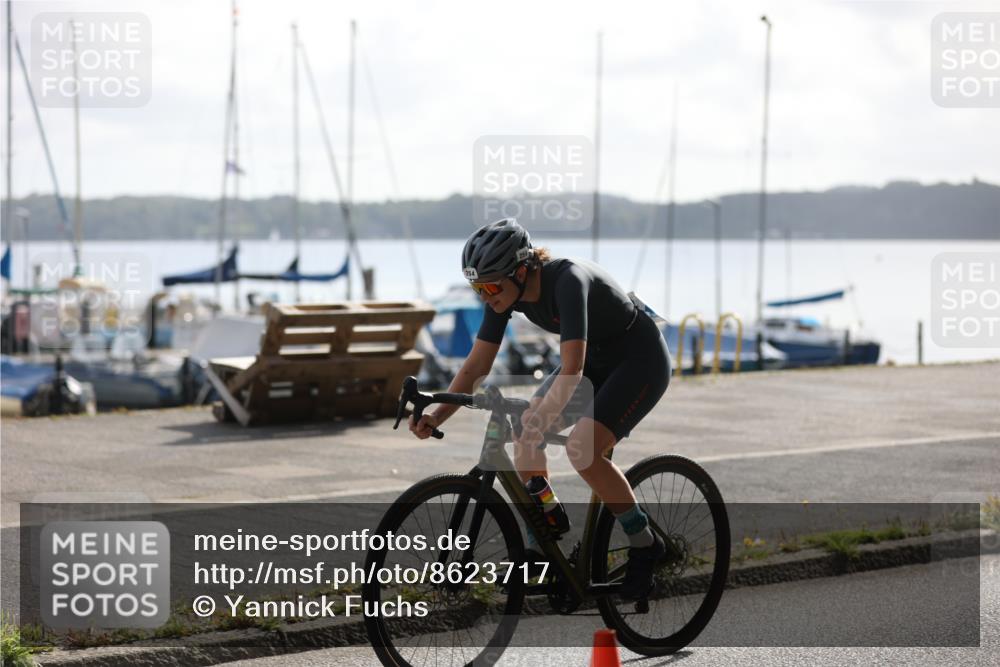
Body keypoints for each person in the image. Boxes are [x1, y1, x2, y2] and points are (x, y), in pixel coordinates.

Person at [409, 218, 671, 599]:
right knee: (523, 433)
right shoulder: (504, 294)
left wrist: (542, 418)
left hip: (638, 359)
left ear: (520, 270)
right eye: (477, 289)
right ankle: (542, 544)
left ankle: (646, 543)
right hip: (594, 361)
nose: (485, 297)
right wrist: (437, 413)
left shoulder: (568, 281)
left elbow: (572, 369)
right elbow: (476, 366)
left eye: (490, 287)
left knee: (583, 450)